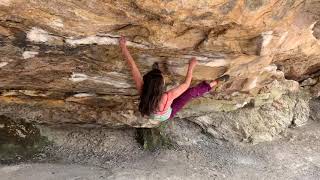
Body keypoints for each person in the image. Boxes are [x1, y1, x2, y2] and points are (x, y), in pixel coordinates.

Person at [119, 37, 229, 121]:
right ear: (161, 86)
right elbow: (186, 85)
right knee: (190, 93)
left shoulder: (143, 90)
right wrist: (191, 67)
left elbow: (133, 67)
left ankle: (156, 70)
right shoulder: (167, 96)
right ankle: (214, 83)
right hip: (167, 114)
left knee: (183, 92)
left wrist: (123, 46)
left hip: (153, 114)